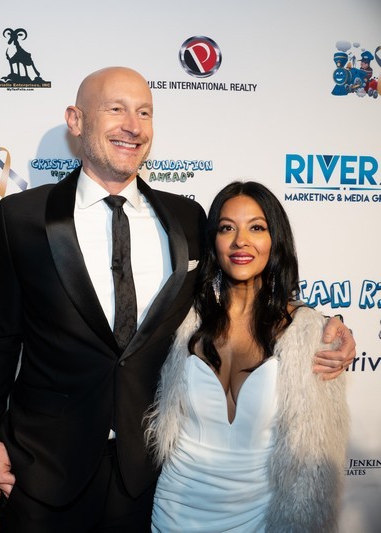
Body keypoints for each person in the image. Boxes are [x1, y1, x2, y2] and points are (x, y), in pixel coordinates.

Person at [0, 67, 356, 532]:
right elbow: (1, 334)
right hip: (44, 468)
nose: (133, 126)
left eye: (145, 112)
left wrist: (323, 325)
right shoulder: (22, 217)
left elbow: (239, 289)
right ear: (76, 120)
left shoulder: (186, 218)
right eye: (116, 109)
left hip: (147, 476)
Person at [146, 181, 348, 531]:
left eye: (256, 228)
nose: (241, 241)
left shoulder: (308, 336)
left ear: (275, 240)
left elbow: (316, 455)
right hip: (173, 511)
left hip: (258, 519)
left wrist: (335, 327)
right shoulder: (182, 320)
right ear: (213, 241)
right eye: (227, 228)